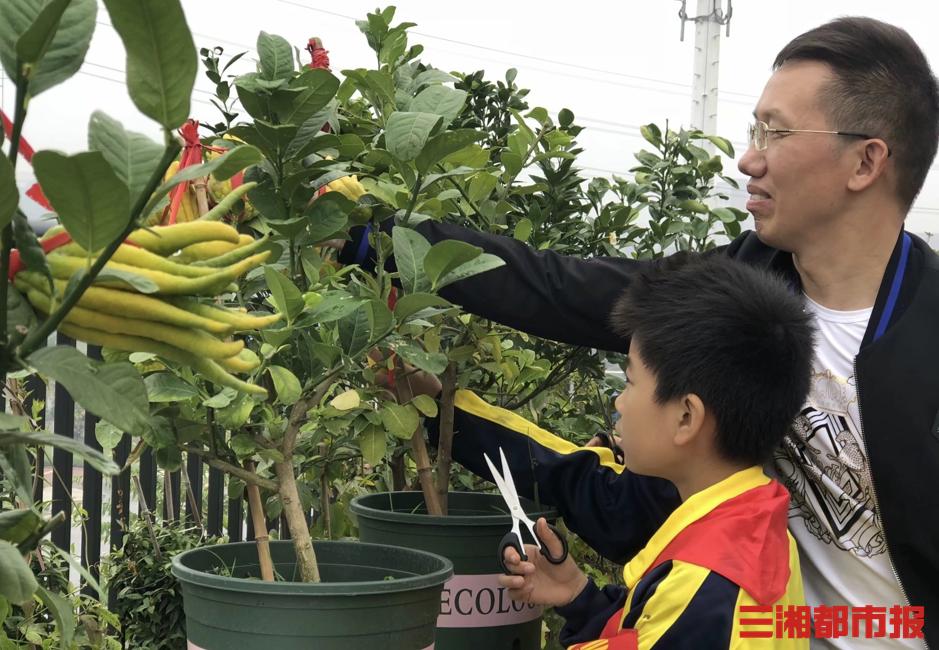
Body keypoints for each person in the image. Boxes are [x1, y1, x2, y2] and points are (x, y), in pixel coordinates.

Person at [341, 16, 939, 647]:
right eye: (754, 127)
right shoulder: (739, 292)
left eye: (778, 131)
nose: (749, 156)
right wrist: (370, 238)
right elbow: (557, 288)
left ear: (866, 160)